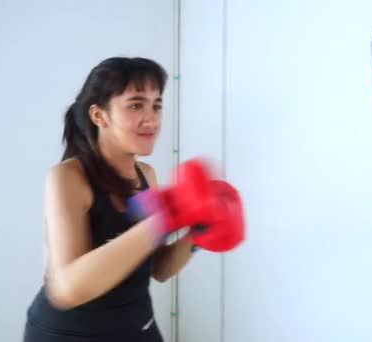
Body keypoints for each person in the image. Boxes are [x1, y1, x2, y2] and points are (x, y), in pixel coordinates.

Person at [23, 57, 241, 342]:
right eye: (136, 105)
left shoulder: (146, 175)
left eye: (157, 105)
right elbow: (66, 288)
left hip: (136, 326)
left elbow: (158, 270)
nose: (151, 119)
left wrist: (198, 233)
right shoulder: (68, 178)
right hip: (70, 334)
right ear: (99, 116)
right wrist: (164, 219)